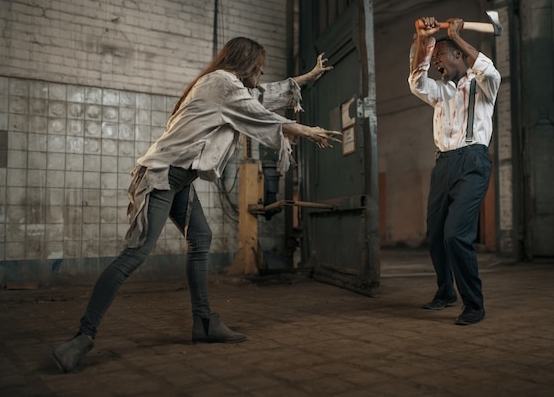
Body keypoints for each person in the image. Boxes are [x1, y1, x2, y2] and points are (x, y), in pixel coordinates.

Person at [53, 36, 341, 373]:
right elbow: (258, 112)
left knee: (200, 239)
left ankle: (204, 323)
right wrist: (306, 131)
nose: (261, 75)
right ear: (245, 64)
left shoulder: (227, 85)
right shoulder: (222, 83)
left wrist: (308, 76)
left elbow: (261, 97)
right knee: (134, 256)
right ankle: (82, 337)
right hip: (161, 175)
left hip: (180, 179)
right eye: (259, 68)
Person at [408, 17, 501, 325]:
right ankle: (446, 292)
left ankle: (474, 304)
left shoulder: (485, 86)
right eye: (434, 60)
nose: (436, 64)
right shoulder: (441, 92)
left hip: (473, 162)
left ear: (459, 55)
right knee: (435, 236)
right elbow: (416, 82)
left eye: (440, 57)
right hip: (444, 164)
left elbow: (487, 68)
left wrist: (455, 35)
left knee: (455, 235)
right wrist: (424, 38)